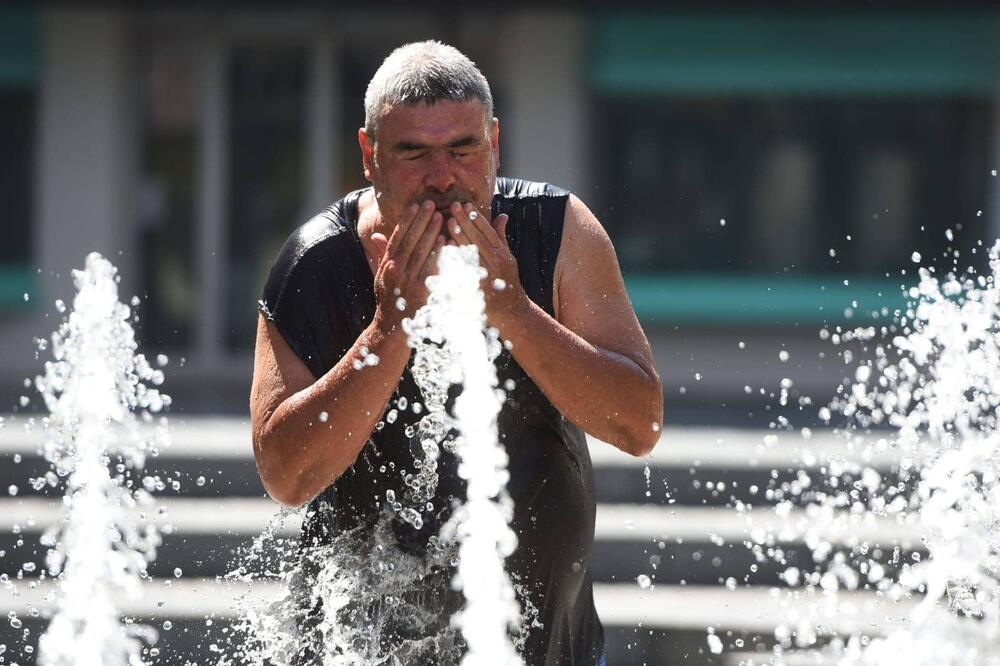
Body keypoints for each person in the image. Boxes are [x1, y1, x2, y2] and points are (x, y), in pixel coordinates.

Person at [250, 40, 663, 666]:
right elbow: (286, 475)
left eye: (463, 149)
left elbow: (640, 425)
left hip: (549, 647)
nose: (442, 180)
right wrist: (390, 329)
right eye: (413, 153)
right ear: (370, 156)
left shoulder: (557, 233)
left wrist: (515, 311)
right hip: (359, 647)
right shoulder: (315, 263)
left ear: (494, 142)